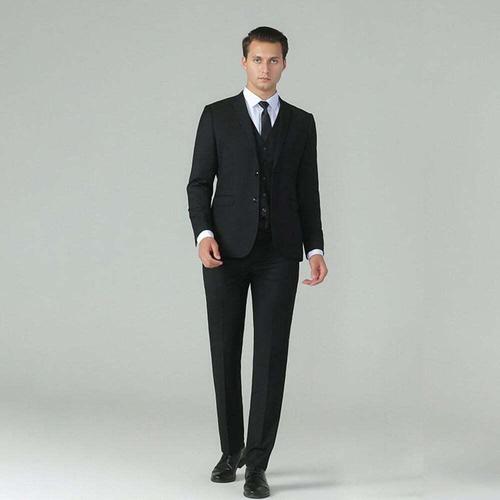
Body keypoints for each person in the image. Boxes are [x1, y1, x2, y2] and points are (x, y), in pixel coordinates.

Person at [186, 26, 328, 498]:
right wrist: (204, 234)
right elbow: (198, 183)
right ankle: (231, 451)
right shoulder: (216, 116)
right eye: (257, 60)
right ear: (244, 62)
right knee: (225, 350)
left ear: (284, 63)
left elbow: (308, 191)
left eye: (274, 60)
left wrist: (315, 249)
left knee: (270, 357)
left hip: (279, 254)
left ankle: (258, 464)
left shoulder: (302, 123)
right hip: (224, 253)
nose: (265, 68)